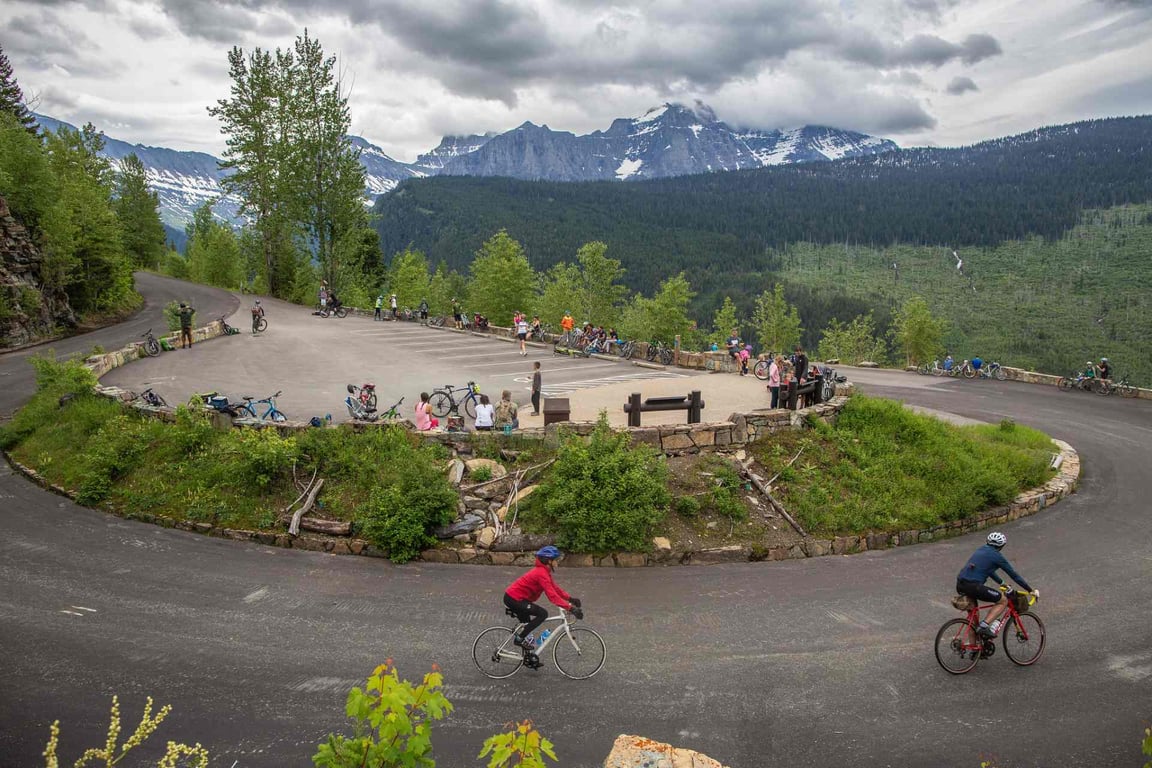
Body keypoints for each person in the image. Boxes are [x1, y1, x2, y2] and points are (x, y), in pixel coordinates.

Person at [956, 532, 1037, 640]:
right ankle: (984, 626)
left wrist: (1002, 583)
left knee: (973, 618)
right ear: (1001, 546)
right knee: (1003, 601)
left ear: (987, 542)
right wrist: (1030, 590)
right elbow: (1014, 575)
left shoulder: (981, 550)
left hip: (961, 584)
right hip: (974, 586)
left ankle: (974, 648)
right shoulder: (997, 557)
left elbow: (988, 571)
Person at [503, 546, 581, 654]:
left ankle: (528, 657)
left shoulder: (544, 571)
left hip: (517, 598)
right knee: (542, 614)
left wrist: (570, 599)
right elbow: (552, 596)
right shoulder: (541, 574)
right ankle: (519, 639)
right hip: (514, 599)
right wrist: (570, 608)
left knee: (527, 627)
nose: (557, 562)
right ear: (548, 561)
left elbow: (555, 588)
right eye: (555, 559)